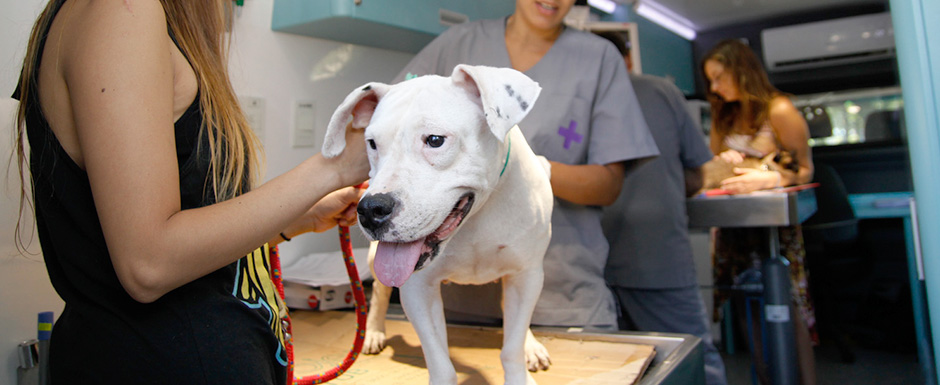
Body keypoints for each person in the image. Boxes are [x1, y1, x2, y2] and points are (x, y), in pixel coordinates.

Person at [12, 0, 369, 383]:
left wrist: (296, 218)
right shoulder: (120, 11)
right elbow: (148, 263)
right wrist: (334, 166)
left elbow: (184, 228)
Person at [391, 0, 659, 330]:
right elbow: (392, 118)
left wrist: (528, 167)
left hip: (560, 298)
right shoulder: (457, 45)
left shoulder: (598, 59)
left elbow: (607, 186)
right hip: (452, 296)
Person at [594, 31, 728, 385]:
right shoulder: (660, 91)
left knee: (616, 370)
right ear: (628, 59)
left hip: (589, 263)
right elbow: (697, 175)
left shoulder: (572, 100)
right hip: (657, 255)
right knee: (691, 358)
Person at [702, 38, 817, 385]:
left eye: (720, 77)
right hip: (734, 229)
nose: (715, 87)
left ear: (742, 70)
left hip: (774, 228)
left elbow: (806, 170)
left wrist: (766, 178)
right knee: (746, 309)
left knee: (789, 310)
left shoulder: (779, 111)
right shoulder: (725, 116)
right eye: (710, 80)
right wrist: (721, 164)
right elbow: (708, 171)